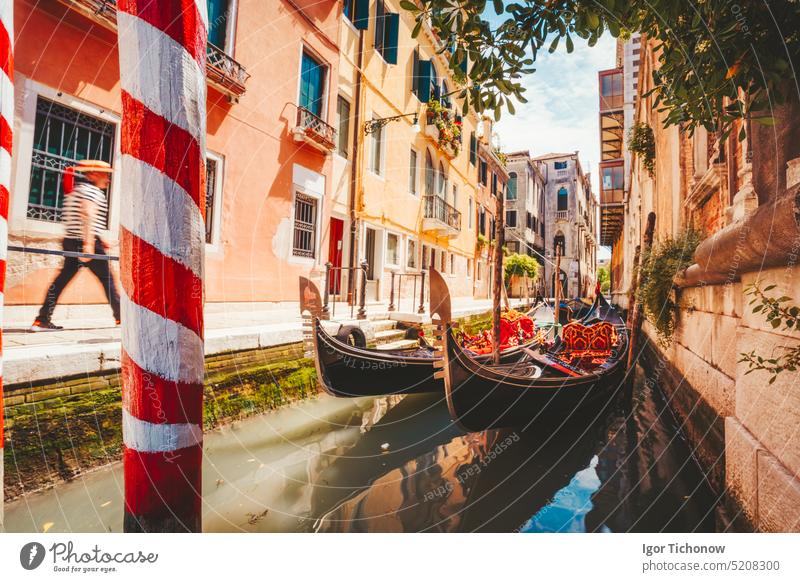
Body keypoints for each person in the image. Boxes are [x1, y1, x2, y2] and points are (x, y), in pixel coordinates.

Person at [31, 160, 120, 331]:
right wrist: (89, 244)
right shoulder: (92, 191)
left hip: (71, 241)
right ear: (93, 175)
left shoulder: (76, 191)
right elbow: (87, 213)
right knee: (107, 280)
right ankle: (121, 319)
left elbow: (81, 217)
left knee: (61, 280)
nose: (108, 179)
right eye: (105, 175)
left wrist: (100, 236)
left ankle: (42, 319)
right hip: (86, 241)